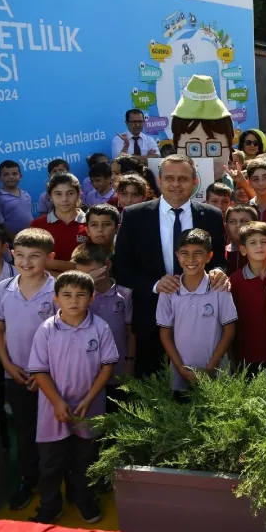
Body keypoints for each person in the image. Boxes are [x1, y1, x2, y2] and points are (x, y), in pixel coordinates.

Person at [111, 155, 229, 378]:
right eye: (170, 178)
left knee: (197, 392)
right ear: (159, 180)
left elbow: (219, 260)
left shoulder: (211, 215)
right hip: (151, 319)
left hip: (201, 322)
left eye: (183, 178)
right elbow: (121, 266)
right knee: (154, 394)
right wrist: (154, 285)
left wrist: (219, 272)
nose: (176, 184)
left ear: (195, 182)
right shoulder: (135, 216)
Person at [26, 270, 117, 524]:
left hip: (89, 408)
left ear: (92, 297)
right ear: (56, 299)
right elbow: (40, 370)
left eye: (80, 295)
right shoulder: (46, 330)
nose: (73, 300)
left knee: (85, 459)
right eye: (66, 295)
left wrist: (89, 399)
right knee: (50, 463)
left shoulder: (100, 327)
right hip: (52, 410)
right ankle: (50, 505)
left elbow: (107, 366)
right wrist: (57, 401)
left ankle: (84, 499)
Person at [0, 228, 57, 511]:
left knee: (55, 433)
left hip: (53, 378)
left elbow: (65, 336)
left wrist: (46, 374)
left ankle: (54, 483)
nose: (26, 262)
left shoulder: (57, 290)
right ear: (12, 254)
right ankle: (27, 480)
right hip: (16, 374)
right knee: (25, 430)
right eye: (20, 256)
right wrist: (7, 364)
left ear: (50, 258)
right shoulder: (3, 289)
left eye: (35, 256)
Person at [157, 229, 237, 393]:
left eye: (198, 253)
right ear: (177, 255)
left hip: (216, 373)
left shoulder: (219, 287)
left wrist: (210, 369)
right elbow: (165, 334)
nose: (191, 259)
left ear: (209, 256)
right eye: (185, 253)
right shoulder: (168, 290)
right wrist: (181, 369)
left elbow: (229, 331)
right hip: (180, 375)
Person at [70, 243, 134, 409]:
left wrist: (130, 362)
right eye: (81, 275)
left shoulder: (125, 295)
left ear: (107, 265)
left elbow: (130, 332)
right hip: (87, 374)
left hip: (118, 370)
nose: (86, 279)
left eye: (91, 273)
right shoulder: (77, 299)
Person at [228, 222, 266, 369]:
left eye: (264, 242)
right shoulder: (235, 281)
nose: (259, 246)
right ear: (243, 250)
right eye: (253, 243)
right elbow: (230, 321)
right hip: (246, 356)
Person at [31, 173, 87, 273]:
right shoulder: (37, 225)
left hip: (85, 284)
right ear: (50, 196)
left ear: (78, 194)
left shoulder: (91, 223)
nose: (64, 199)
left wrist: (49, 263)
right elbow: (32, 261)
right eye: (58, 194)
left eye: (70, 193)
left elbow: (96, 263)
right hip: (48, 285)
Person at [0, 161, 34, 236]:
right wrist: (13, 239)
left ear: (20, 176)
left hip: (31, 237)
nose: (11, 177)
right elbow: (0, 224)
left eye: (14, 174)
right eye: (6, 174)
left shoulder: (25, 194)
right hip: (12, 241)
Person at [225, 205, 256, 275]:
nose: (238, 225)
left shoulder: (263, 252)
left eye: (244, 221)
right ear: (226, 226)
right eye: (232, 221)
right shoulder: (221, 254)